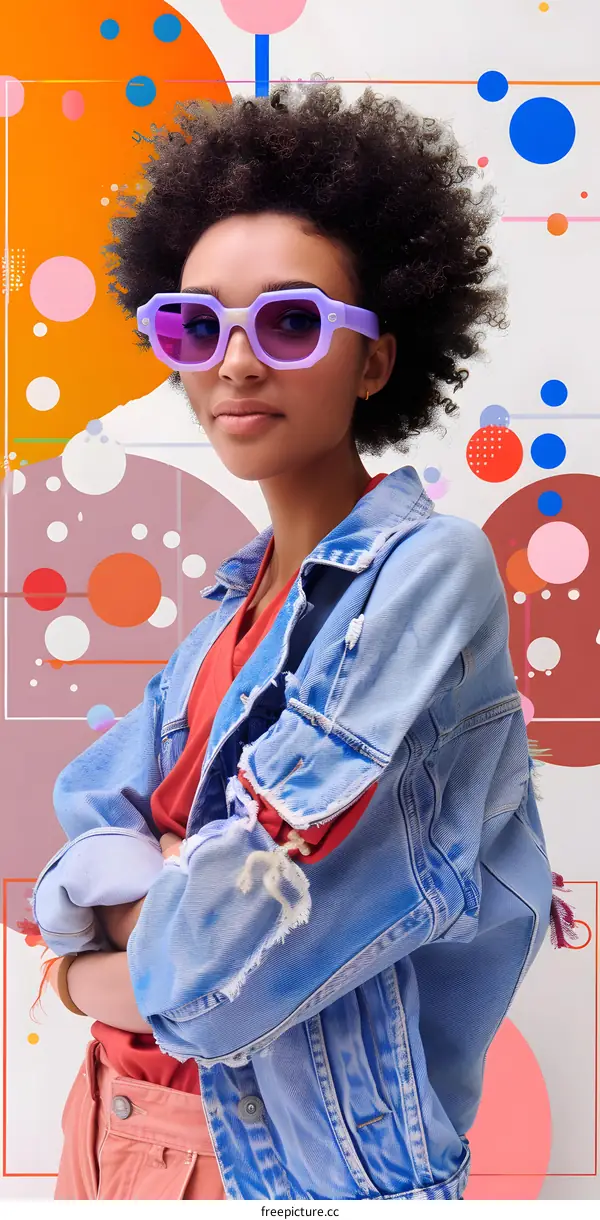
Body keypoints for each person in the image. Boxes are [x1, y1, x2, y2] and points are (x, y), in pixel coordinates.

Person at [33, 82, 559, 1201]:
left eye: (289, 320)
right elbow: (77, 827)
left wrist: (83, 974)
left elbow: (218, 971)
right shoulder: (230, 605)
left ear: (375, 360)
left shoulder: (433, 571)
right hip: (107, 1125)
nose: (232, 360)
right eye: (193, 322)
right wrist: (156, 895)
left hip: (279, 1159)